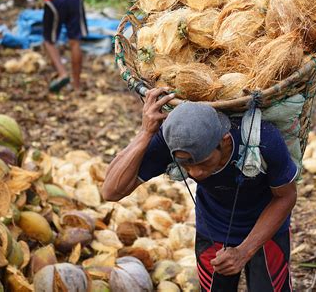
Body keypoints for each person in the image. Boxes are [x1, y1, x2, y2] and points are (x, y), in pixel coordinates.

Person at [102, 88, 298, 291]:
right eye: (185, 164)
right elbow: (111, 191)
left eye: (203, 162)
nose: (195, 172)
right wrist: (145, 133)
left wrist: (244, 251)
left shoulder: (262, 139)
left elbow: (286, 197)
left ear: (224, 141)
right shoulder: (173, 141)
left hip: (267, 230)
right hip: (213, 228)